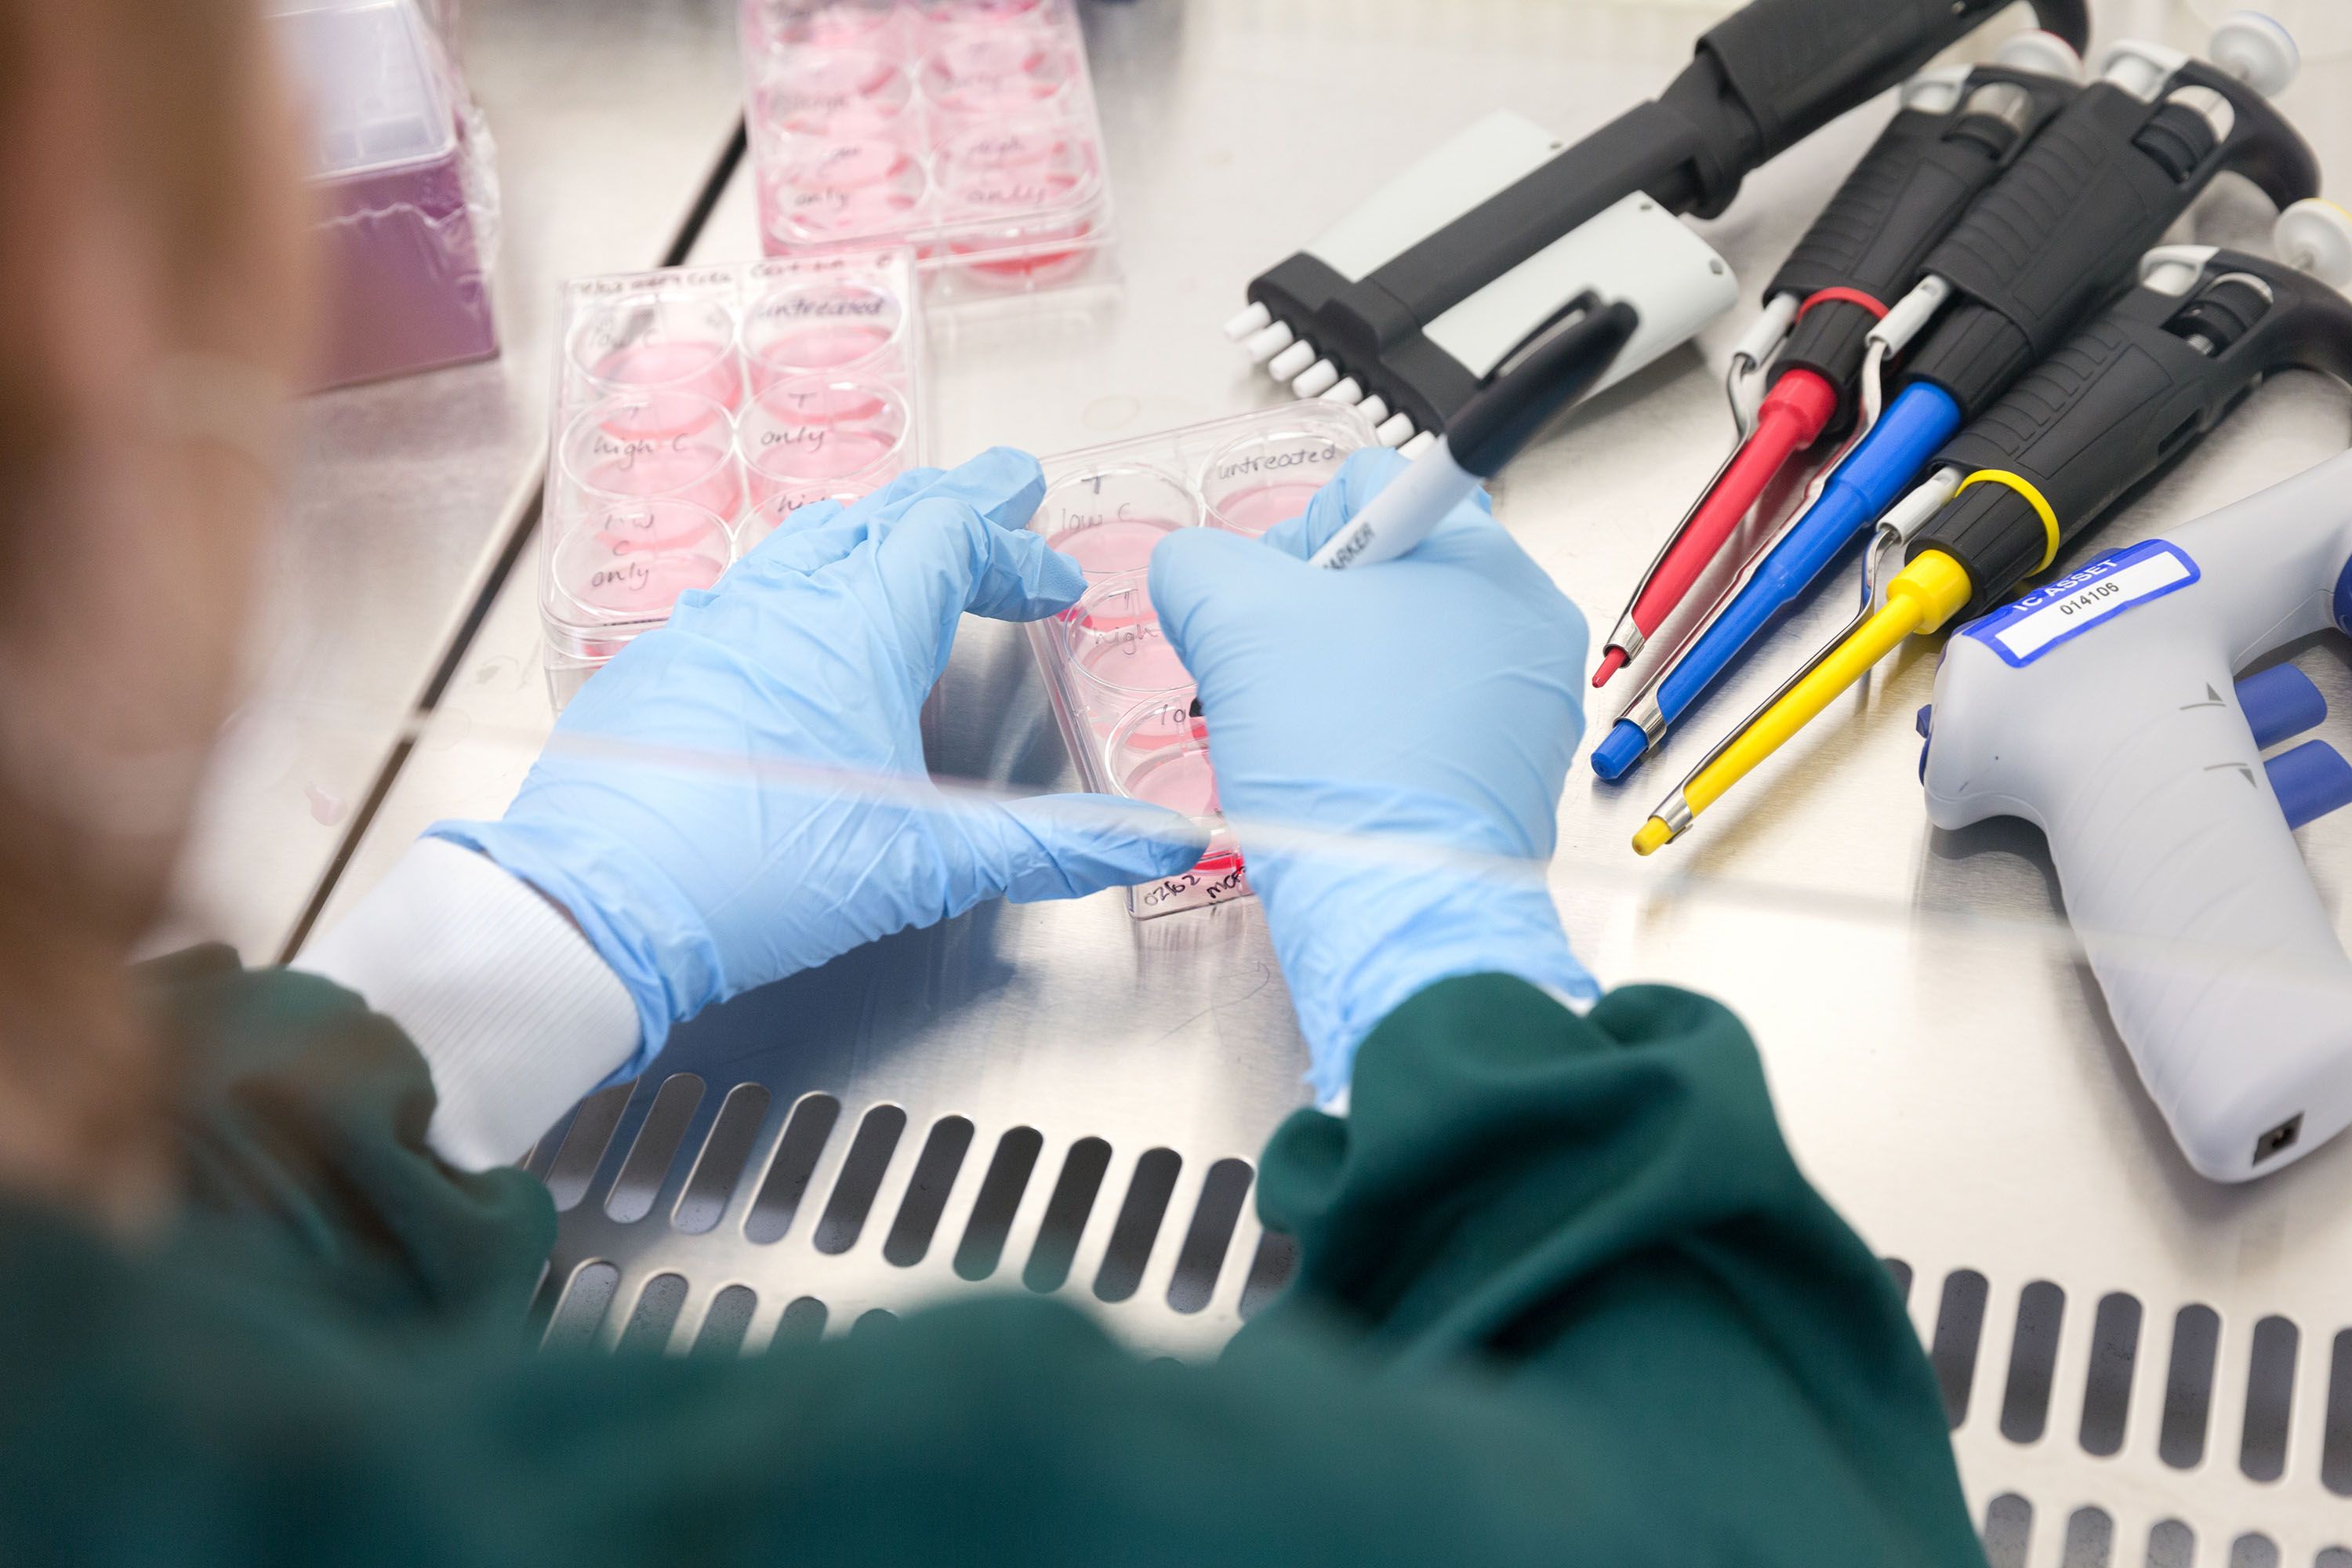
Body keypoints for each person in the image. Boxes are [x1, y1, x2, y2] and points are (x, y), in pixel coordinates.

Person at [0, 1, 1987, 1563]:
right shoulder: (970, 1492)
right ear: (105, 341)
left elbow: (112, 1329)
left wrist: (507, 953)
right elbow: (1763, 1501)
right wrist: (1439, 945)